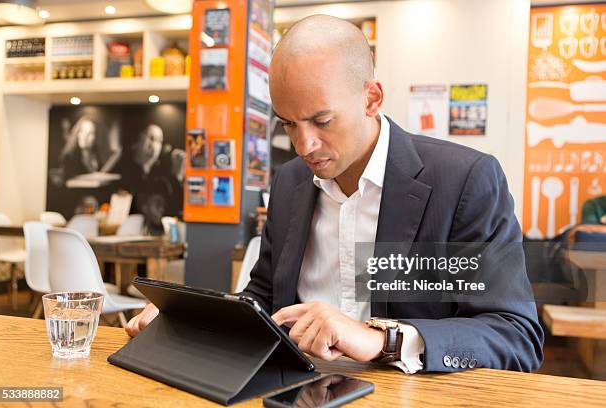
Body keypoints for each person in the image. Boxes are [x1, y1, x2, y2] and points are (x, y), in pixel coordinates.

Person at [126, 15, 543, 373]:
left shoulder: (464, 181)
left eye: (321, 120)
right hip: (296, 387)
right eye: (287, 124)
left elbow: (515, 336)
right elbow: (263, 301)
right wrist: (190, 321)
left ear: (371, 98)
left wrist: (383, 339)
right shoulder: (290, 183)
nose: (303, 146)